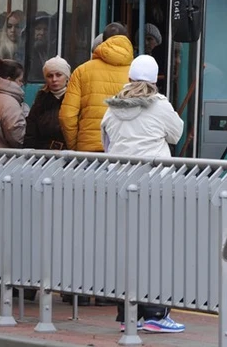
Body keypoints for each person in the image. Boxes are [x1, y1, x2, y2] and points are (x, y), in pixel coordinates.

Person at [101, 55, 185, 333]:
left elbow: (106, 142)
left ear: (129, 78)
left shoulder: (112, 106)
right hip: (155, 188)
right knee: (156, 251)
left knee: (126, 249)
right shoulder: (160, 106)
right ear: (155, 81)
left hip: (120, 186)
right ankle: (155, 315)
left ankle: (127, 315)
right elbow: (176, 134)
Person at [59, 22, 133, 152]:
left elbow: (67, 116)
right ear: (127, 40)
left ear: (103, 41)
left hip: (88, 151)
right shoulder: (135, 73)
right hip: (123, 150)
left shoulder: (81, 71)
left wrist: (75, 146)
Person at [26, 56, 71, 150]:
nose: (54, 79)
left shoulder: (74, 97)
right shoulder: (40, 100)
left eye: (59, 75)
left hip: (69, 156)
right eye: (50, 76)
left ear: (67, 77)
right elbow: (31, 131)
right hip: (43, 155)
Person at [0, 59, 28, 148]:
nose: (21, 84)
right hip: (2, 158)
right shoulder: (10, 104)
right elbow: (18, 139)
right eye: (20, 80)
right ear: (9, 80)